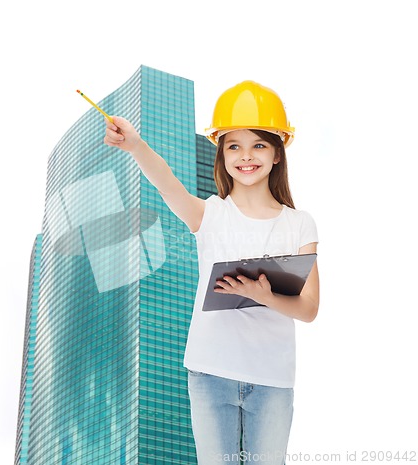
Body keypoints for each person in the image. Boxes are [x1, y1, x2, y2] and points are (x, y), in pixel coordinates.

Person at [104, 80, 319, 465]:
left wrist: (265, 296)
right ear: (221, 154)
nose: (245, 156)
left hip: (272, 378)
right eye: (233, 146)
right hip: (210, 371)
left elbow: (309, 308)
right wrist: (135, 145)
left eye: (258, 145)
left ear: (276, 153)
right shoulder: (210, 214)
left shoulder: (299, 224)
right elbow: (167, 183)